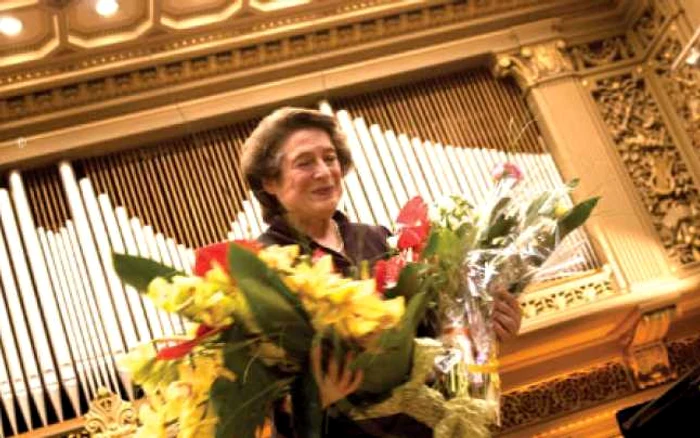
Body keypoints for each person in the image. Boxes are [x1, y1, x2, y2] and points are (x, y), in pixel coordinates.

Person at [241, 107, 522, 437]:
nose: (324, 172)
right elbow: (256, 395)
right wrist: (310, 400)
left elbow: (434, 339)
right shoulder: (260, 268)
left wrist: (484, 330)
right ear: (269, 181)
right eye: (305, 162)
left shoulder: (377, 237)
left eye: (330, 158)